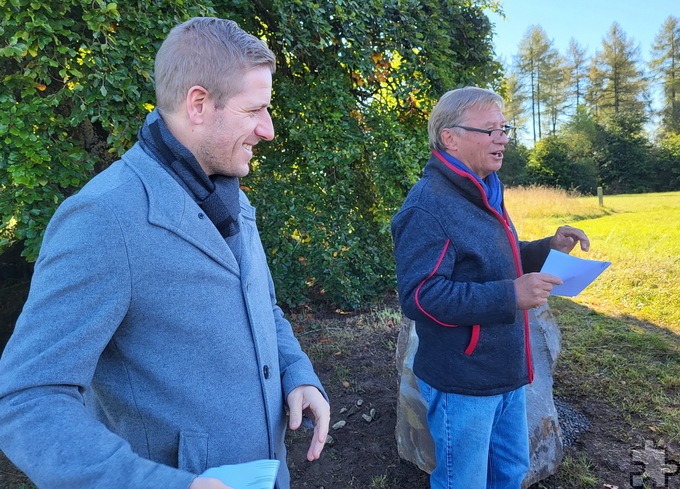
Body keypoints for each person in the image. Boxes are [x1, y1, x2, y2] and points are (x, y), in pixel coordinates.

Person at [0, 17, 330, 489]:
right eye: (254, 110)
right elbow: (27, 397)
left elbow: (262, 305)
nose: (269, 129)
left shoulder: (230, 195)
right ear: (199, 104)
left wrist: (297, 373)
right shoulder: (103, 219)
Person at [391, 86, 590, 488]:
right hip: (462, 383)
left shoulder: (486, 190)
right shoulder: (428, 205)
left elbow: (495, 256)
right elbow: (421, 296)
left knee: (510, 473)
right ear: (450, 137)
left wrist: (546, 248)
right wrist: (511, 295)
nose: (503, 138)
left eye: (504, 129)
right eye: (490, 130)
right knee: (462, 481)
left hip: (505, 371)